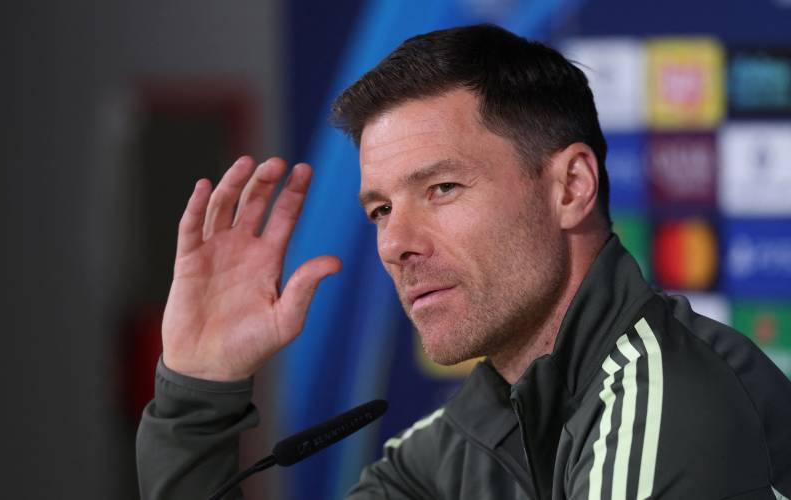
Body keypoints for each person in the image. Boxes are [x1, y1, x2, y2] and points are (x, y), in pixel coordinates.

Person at [136, 24, 791, 499]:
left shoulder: (667, 403)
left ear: (570, 188)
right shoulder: (471, 432)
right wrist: (199, 393)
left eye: (442, 188)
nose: (394, 244)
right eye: (380, 210)